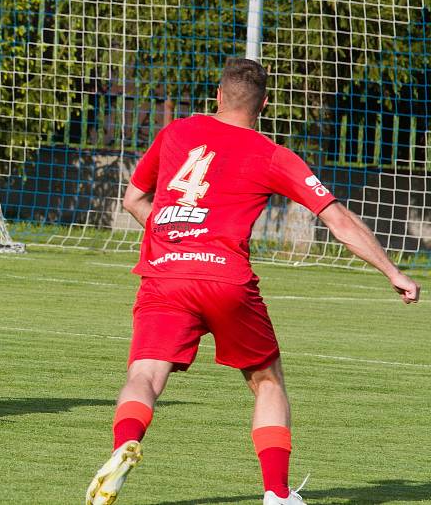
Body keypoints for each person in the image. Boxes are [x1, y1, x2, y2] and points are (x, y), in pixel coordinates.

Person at [85, 58, 420, 505]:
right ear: (264, 103)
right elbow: (337, 220)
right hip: (226, 280)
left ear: (218, 96)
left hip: (166, 274)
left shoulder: (175, 133)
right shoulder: (272, 154)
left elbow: (132, 199)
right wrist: (393, 271)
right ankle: (277, 494)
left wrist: (178, 238)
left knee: (144, 373)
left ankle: (121, 449)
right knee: (267, 381)